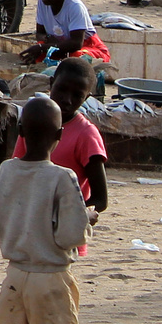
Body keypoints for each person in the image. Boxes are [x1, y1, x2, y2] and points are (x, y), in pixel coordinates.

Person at [0, 95, 92, 324]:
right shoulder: (62, 177)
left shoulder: (7, 169)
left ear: (20, 131)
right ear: (60, 134)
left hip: (14, 276)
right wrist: (87, 216)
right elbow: (71, 235)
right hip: (51, 279)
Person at [12, 56, 109, 222]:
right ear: (51, 84)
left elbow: (100, 199)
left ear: (87, 98)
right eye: (62, 89)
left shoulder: (86, 134)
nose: (67, 100)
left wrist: (64, 217)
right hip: (30, 232)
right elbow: (17, 176)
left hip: (65, 240)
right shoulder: (33, 121)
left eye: (77, 95)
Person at [21, 0, 111, 64]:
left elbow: (77, 43)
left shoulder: (75, 7)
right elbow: (40, 33)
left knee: (76, 59)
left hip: (87, 47)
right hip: (59, 45)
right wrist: (48, 40)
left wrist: (45, 47)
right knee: (39, 52)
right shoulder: (42, 2)